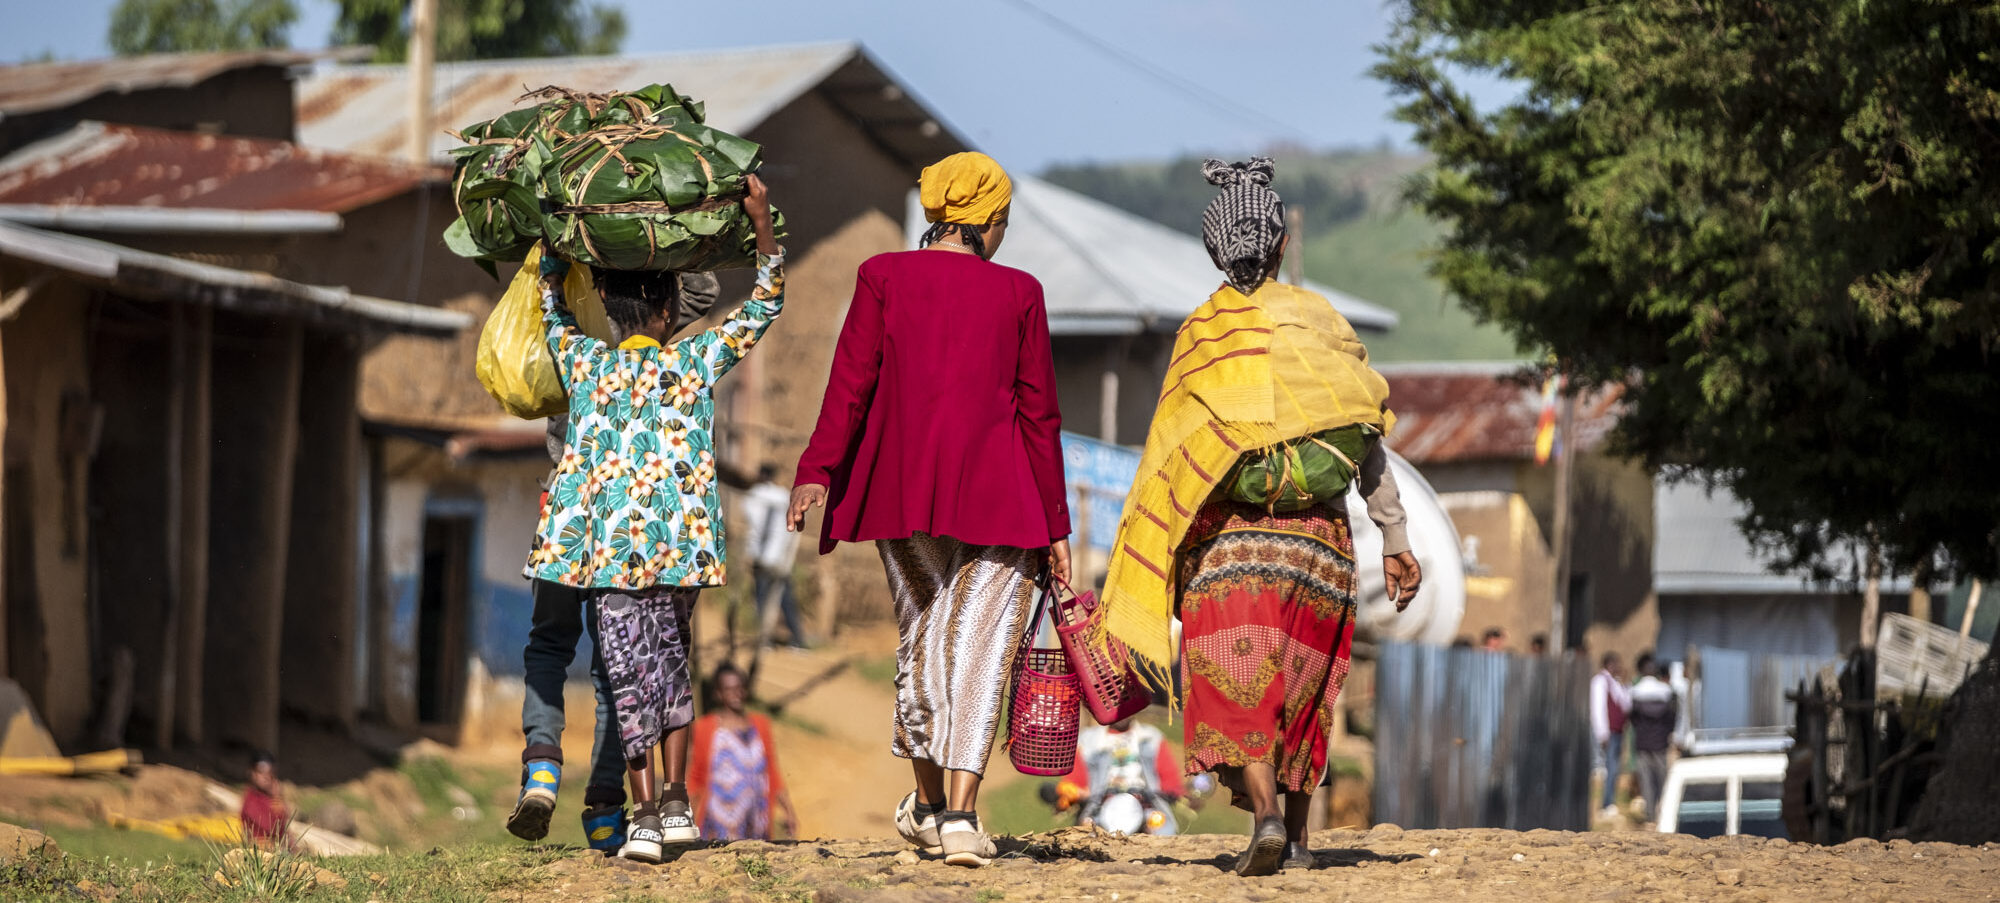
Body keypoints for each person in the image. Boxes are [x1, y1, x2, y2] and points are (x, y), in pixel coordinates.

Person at [1097, 157, 1421, 877]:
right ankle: (1300, 839)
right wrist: (1395, 536)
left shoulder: (1205, 333)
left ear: (1215, 248)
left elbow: (1175, 457)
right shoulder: (1323, 323)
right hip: (1322, 548)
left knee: (1238, 676)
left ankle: (1267, 816)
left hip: (1234, 548)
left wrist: (1159, 559)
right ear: (1279, 246)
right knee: (1305, 686)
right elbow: (1366, 437)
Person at [787, 151, 1071, 869]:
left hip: (899, 492)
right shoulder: (1020, 293)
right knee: (978, 651)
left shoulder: (882, 276)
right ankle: (960, 814)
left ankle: (929, 806)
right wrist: (1059, 525)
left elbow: (849, 380)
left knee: (922, 637)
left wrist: (816, 470)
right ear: (991, 221)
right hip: (1002, 500)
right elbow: (1039, 415)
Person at [526, 174, 784, 864]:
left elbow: (550, 309)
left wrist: (555, 243)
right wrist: (760, 224)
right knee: (673, 668)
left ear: (607, 306)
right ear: (671, 311)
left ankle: (641, 815)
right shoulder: (694, 361)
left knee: (628, 676)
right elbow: (765, 304)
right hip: (679, 552)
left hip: (607, 556)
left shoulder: (584, 362)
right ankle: (675, 802)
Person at [510, 273, 725, 853]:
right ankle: (607, 808)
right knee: (616, 668)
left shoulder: (576, 333)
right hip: (628, 535)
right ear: (665, 306)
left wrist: (565, 262)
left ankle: (543, 767)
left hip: (565, 514)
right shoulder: (663, 332)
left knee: (549, 643)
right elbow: (703, 292)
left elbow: (546, 305)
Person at [688, 663, 798, 841]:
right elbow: (695, 776)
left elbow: (771, 771)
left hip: (756, 821)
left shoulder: (760, 725)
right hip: (716, 823)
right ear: (718, 693)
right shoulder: (705, 728)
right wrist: (688, 818)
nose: (736, 694)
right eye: (729, 689)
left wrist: (788, 810)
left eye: (740, 688)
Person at [1055, 718, 1184, 834]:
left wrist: (1178, 794)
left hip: (1145, 803)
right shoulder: (1087, 740)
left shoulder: (1151, 737)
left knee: (1161, 828)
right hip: (1100, 804)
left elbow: (1170, 781)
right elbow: (1074, 782)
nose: (1122, 711)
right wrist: (1072, 794)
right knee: (1087, 829)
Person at [740, 464, 808, 650]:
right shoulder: (783, 495)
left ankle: (765, 640)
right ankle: (797, 639)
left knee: (762, 597)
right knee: (785, 597)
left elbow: (752, 524)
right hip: (781, 557)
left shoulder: (754, 495)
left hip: (762, 557)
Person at [1628, 653, 1678, 823]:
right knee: (1663, 781)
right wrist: (1666, 733)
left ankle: (1650, 816)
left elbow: (1632, 718)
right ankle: (1664, 816)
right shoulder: (1665, 692)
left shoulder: (1635, 693)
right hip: (1660, 744)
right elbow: (1672, 717)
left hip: (1642, 743)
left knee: (1646, 781)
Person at [1590, 652, 1632, 820]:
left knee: (1615, 768)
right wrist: (1602, 732)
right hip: (1608, 732)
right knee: (1610, 767)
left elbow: (1626, 704)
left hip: (1617, 731)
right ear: (1609, 664)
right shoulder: (1600, 681)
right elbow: (1598, 708)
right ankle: (1606, 804)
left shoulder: (1615, 683)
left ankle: (1610, 801)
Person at [240, 750, 288, 847]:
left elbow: (283, 828)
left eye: (270, 772)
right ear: (252, 774)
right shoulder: (251, 800)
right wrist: (276, 798)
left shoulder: (269, 798)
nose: (266, 777)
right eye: (261, 772)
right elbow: (272, 828)